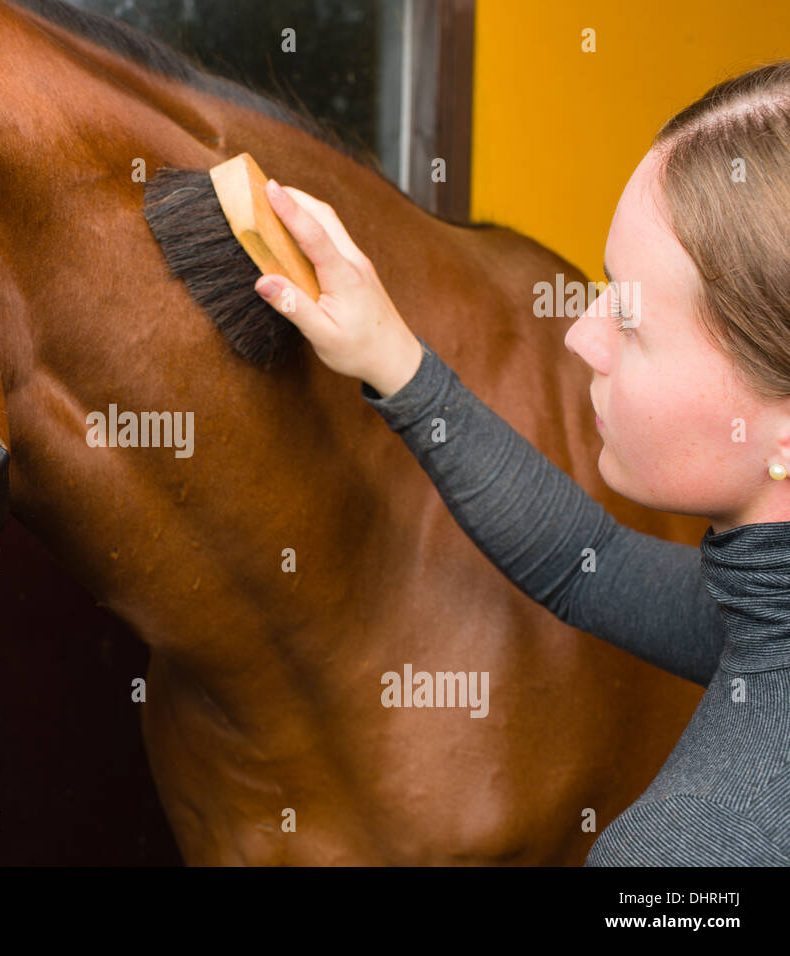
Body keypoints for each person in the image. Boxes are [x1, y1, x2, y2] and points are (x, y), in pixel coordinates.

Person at [252, 60, 790, 866]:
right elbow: (590, 567)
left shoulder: (694, 855)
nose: (581, 335)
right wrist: (392, 358)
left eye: (633, 322)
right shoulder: (756, 621)